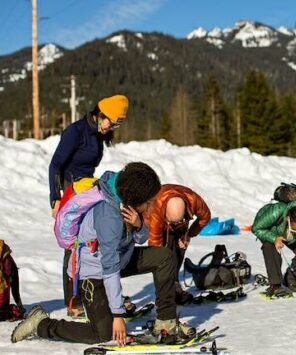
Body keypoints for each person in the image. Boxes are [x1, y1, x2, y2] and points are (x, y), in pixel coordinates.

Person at [12, 162, 194, 345]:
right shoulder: (109, 217)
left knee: (164, 257)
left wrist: (139, 225)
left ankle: (166, 320)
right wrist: (117, 314)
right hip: (92, 274)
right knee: (103, 334)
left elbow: (139, 239)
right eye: (148, 202)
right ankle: (41, 324)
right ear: (136, 199)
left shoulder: (124, 202)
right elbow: (110, 268)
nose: (151, 205)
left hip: (119, 260)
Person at [48, 94, 129, 317]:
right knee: (73, 243)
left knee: (90, 238)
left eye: (115, 124)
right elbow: (55, 165)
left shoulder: (97, 134)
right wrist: (55, 197)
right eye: (110, 122)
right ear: (100, 115)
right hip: (71, 191)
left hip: (88, 188)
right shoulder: (75, 132)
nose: (111, 127)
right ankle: (73, 301)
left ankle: (92, 292)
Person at [144, 184, 211, 304]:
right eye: (172, 221)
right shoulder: (156, 210)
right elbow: (155, 246)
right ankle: (165, 291)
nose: (174, 224)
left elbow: (205, 217)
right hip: (159, 223)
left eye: (178, 221)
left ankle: (174, 284)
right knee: (163, 254)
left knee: (180, 249)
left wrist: (189, 234)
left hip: (179, 225)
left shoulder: (193, 200)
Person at [252, 190, 296, 299]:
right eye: (294, 229)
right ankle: (275, 285)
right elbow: (256, 228)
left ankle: (292, 279)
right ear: (288, 218)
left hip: (289, 237)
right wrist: (274, 238)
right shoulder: (277, 211)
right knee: (270, 247)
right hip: (271, 231)